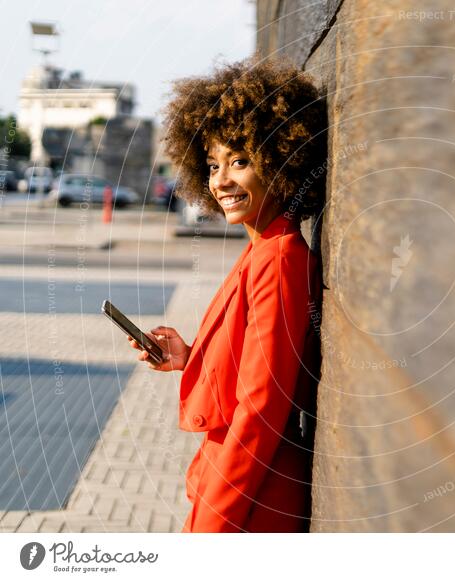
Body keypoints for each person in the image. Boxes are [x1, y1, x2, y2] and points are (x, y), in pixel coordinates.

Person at [128, 57, 327, 532]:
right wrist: (189, 356)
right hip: (235, 487)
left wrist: (213, 527)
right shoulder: (261, 246)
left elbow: (260, 411)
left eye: (240, 161)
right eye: (214, 164)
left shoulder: (278, 257)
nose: (221, 180)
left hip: (248, 502)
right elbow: (256, 371)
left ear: (281, 159)